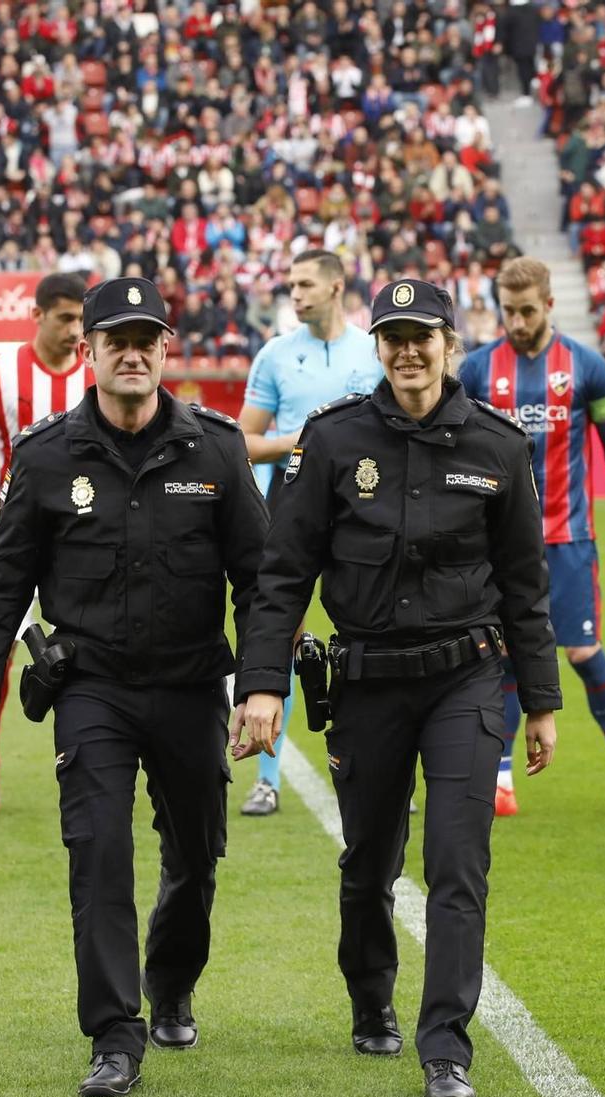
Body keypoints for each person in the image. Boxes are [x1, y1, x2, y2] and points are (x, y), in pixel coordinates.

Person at [233, 278, 559, 1097]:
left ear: (451, 343)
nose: (408, 350)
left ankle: (446, 1046)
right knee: (369, 860)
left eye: (423, 335)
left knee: (458, 858)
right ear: (376, 344)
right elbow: (283, 573)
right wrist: (263, 682)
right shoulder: (335, 440)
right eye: (393, 335)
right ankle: (370, 992)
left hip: (466, 681)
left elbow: (525, 583)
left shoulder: (496, 444)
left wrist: (543, 700)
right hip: (368, 680)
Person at [0, 277, 268, 1097]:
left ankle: (172, 980)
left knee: (196, 854)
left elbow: (261, 582)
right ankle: (114, 1034)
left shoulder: (218, 449)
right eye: (114, 339)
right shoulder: (48, 453)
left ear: (167, 349)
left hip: (192, 682)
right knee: (97, 849)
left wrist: (260, 686)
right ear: (86, 350)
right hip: (91, 687)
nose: (132, 353)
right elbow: (0, 587)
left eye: (146, 338)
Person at [459, 256, 605, 818]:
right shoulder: (476, 371)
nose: (516, 322)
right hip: (497, 543)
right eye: (507, 311)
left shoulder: (586, 367)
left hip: (567, 540)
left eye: (526, 311)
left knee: (584, 651)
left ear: (548, 304)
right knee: (502, 657)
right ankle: (499, 779)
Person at [234, 248, 383, 817]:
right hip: (292, 511)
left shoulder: (373, 350)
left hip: (365, 514)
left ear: (336, 287)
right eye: (289, 285)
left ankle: (385, 766)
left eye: (303, 285)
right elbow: (242, 442)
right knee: (285, 637)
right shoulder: (274, 355)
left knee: (375, 634)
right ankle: (268, 779)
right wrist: (303, 442)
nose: (293, 294)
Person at [0, 272, 92, 815]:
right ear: (36, 316)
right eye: (64, 318)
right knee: (1, 649)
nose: (74, 330)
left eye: (80, 319)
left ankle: (95, 756)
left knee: (90, 645)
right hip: (10, 535)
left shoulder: (93, 373)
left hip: (83, 534)